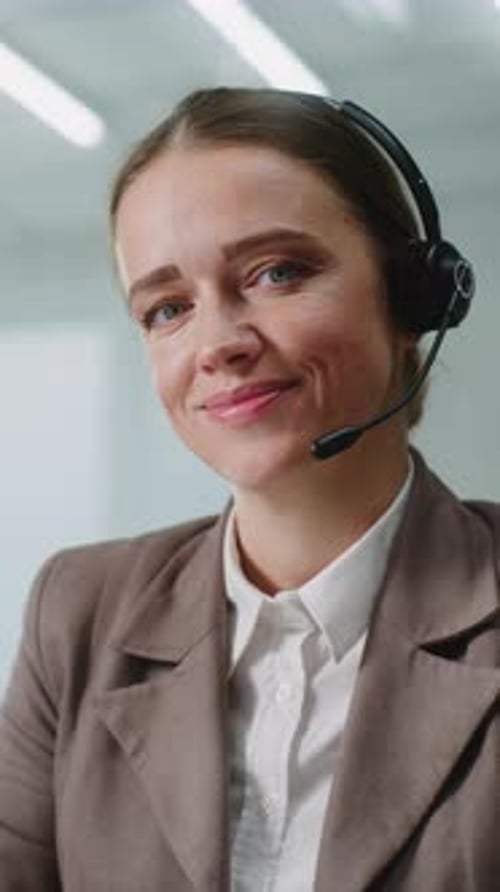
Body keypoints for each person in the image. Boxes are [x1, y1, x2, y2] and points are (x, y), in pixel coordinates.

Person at [0, 87, 498, 892]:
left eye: (276, 272)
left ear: (412, 298)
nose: (218, 344)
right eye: (168, 308)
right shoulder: (79, 613)